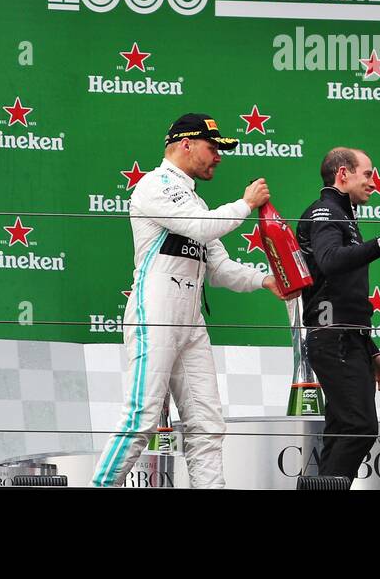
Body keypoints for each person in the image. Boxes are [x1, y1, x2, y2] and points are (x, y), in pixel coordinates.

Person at [90, 113, 292, 488]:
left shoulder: (194, 200)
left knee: (207, 424)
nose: (218, 156)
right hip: (157, 311)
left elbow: (219, 268)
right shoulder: (154, 185)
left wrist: (265, 281)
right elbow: (203, 228)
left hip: (190, 318)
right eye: (213, 148)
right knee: (141, 418)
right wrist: (246, 204)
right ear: (186, 144)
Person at [297, 147, 380, 482]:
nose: (374, 183)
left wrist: (372, 350)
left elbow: (346, 294)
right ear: (342, 174)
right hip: (334, 338)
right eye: (367, 174)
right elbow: (331, 260)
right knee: (359, 426)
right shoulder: (324, 212)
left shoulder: (343, 215)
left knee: (343, 429)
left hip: (348, 338)